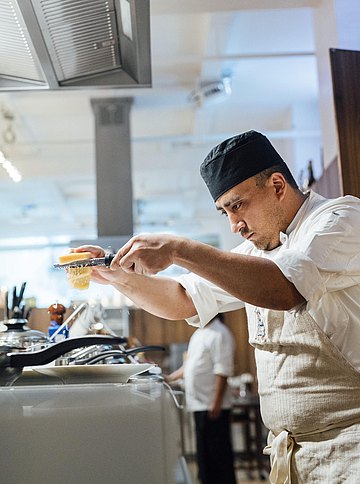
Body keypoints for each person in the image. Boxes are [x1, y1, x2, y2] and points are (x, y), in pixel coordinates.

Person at [74, 130, 360, 483]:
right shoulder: (257, 254)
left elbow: (285, 288)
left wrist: (180, 249)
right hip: (293, 455)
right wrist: (116, 277)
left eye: (237, 205)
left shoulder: (341, 219)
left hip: (349, 450)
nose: (234, 225)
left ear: (277, 185)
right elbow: (180, 299)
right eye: (224, 211)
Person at [165, 314, 236, 484]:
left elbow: (223, 370)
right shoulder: (198, 333)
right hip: (198, 404)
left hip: (212, 405)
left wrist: (216, 401)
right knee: (204, 455)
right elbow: (188, 365)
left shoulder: (220, 333)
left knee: (218, 456)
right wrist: (169, 378)